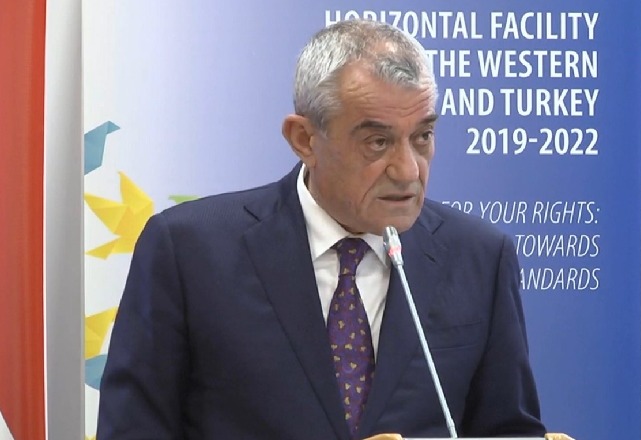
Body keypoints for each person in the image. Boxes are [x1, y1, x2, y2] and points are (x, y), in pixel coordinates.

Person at [97, 19, 547, 439]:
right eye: (378, 142)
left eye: (422, 137)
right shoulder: (189, 252)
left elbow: (508, 431)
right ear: (304, 139)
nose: (409, 170)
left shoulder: (480, 257)